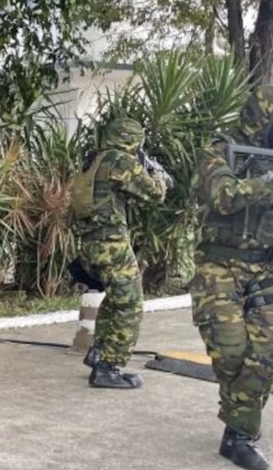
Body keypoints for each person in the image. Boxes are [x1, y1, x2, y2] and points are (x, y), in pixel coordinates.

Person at [189, 85, 273, 470]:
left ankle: (239, 434)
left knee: (266, 354)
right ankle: (239, 420)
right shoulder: (219, 150)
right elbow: (222, 196)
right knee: (232, 354)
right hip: (219, 266)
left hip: (265, 268)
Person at [70, 117, 168, 389]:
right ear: (132, 139)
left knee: (115, 300)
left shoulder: (94, 160)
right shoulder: (121, 161)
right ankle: (108, 367)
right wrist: (157, 174)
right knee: (130, 305)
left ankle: (99, 351)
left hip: (91, 245)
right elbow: (155, 194)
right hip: (111, 244)